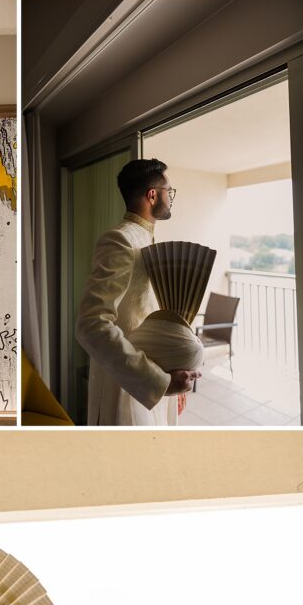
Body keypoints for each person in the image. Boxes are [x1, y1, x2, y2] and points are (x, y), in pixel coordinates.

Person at [76, 157, 201, 426]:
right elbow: (91, 325)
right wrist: (159, 382)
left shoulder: (146, 239)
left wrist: (170, 379)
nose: (171, 198)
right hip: (128, 387)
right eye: (170, 191)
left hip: (155, 381)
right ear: (153, 194)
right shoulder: (120, 240)